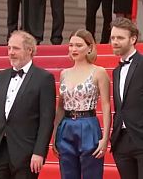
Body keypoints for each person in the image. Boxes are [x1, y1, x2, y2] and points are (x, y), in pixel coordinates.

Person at [0, 30, 56, 179]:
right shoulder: (2, 76)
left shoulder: (44, 78)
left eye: (16, 48)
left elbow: (46, 121)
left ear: (30, 50)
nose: (11, 52)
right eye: (9, 48)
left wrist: (39, 152)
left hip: (25, 154)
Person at [52, 29, 111, 179]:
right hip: (66, 126)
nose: (74, 49)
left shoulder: (99, 72)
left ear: (90, 47)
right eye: (71, 45)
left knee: (92, 174)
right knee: (67, 174)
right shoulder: (64, 73)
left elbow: (106, 105)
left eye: (78, 45)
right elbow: (60, 106)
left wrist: (105, 138)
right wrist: (54, 133)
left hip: (89, 124)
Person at [109, 17, 143, 179]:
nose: (115, 42)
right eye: (113, 38)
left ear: (133, 39)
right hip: (121, 141)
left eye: (120, 38)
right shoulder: (116, 72)